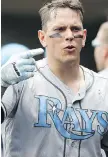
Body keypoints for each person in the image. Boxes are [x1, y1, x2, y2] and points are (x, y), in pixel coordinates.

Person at [1, 0, 108, 157]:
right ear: (42, 37)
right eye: (60, 29)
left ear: (84, 37)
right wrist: (1, 83)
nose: (69, 36)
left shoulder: (103, 87)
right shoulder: (20, 80)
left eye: (75, 29)